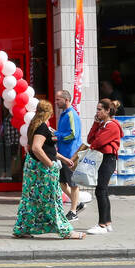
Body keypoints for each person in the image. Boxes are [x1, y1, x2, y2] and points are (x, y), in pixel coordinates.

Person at [12, 100, 85, 239]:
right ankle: (65, 231)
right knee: (53, 199)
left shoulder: (34, 125)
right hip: (42, 169)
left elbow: (47, 149)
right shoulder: (42, 127)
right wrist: (51, 165)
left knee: (31, 199)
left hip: (33, 167)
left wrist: (63, 160)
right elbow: (36, 148)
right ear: (48, 113)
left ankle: (21, 229)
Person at [82, 98, 124, 235]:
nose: (97, 112)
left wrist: (94, 141)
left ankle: (102, 225)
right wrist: (95, 122)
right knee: (102, 191)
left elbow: (97, 142)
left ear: (107, 111)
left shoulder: (111, 126)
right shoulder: (102, 124)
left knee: (100, 190)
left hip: (108, 159)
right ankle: (107, 223)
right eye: (97, 109)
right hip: (102, 159)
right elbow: (90, 139)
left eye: (100, 109)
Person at [53, 90, 85, 220]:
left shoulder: (71, 114)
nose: (56, 102)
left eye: (58, 99)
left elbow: (73, 134)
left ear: (66, 100)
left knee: (73, 184)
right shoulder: (64, 114)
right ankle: (77, 204)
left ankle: (73, 212)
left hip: (71, 155)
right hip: (64, 154)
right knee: (61, 183)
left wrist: (57, 136)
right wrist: (57, 133)